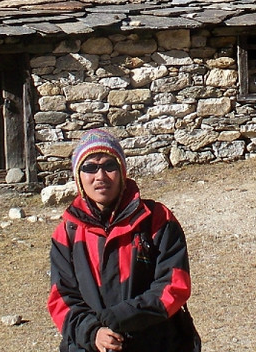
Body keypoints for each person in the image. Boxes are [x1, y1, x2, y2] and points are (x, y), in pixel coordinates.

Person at [49, 128, 198, 352]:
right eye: (89, 167)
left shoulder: (156, 220)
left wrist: (120, 317)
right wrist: (93, 333)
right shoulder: (67, 233)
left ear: (122, 171)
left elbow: (174, 285)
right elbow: (62, 299)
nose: (100, 176)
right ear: (78, 176)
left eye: (109, 166)